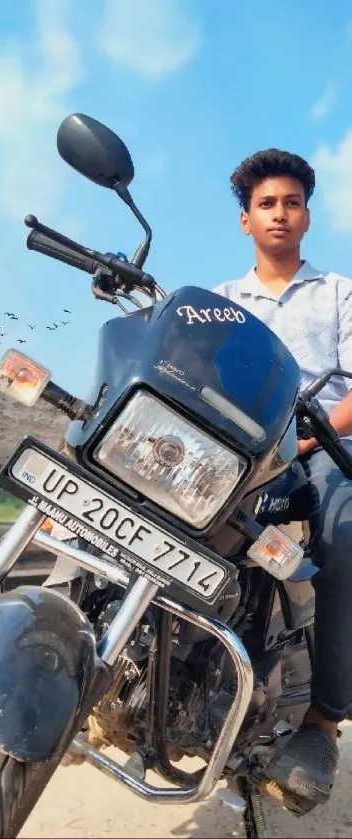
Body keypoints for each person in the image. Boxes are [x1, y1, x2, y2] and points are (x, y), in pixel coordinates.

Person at [212, 149, 352, 812]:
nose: (279, 213)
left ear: (306, 215)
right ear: (245, 220)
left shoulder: (337, 292)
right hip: (239, 449)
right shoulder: (219, 302)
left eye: (290, 202)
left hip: (319, 443)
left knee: (342, 535)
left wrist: (304, 435)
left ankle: (321, 722)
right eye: (266, 203)